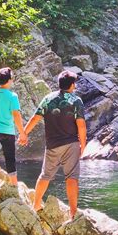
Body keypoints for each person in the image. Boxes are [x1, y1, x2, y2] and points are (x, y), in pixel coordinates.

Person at [19, 70, 87, 220]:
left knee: (45, 175)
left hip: (52, 145)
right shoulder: (76, 101)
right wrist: (83, 144)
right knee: (72, 178)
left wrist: (24, 133)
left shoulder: (48, 98)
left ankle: (36, 204)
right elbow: (81, 125)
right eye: (74, 83)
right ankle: (73, 213)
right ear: (72, 85)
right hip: (71, 144)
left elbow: (35, 118)